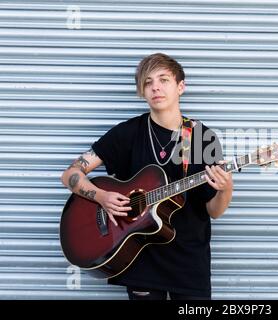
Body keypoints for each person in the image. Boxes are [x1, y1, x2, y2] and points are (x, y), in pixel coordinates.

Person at [60, 53, 233, 300]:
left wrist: (225, 189)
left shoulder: (201, 138)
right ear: (142, 91)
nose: (156, 87)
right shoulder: (128, 134)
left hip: (190, 266)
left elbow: (214, 211)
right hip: (141, 265)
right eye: (148, 82)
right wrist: (101, 196)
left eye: (164, 80)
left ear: (180, 87)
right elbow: (70, 174)